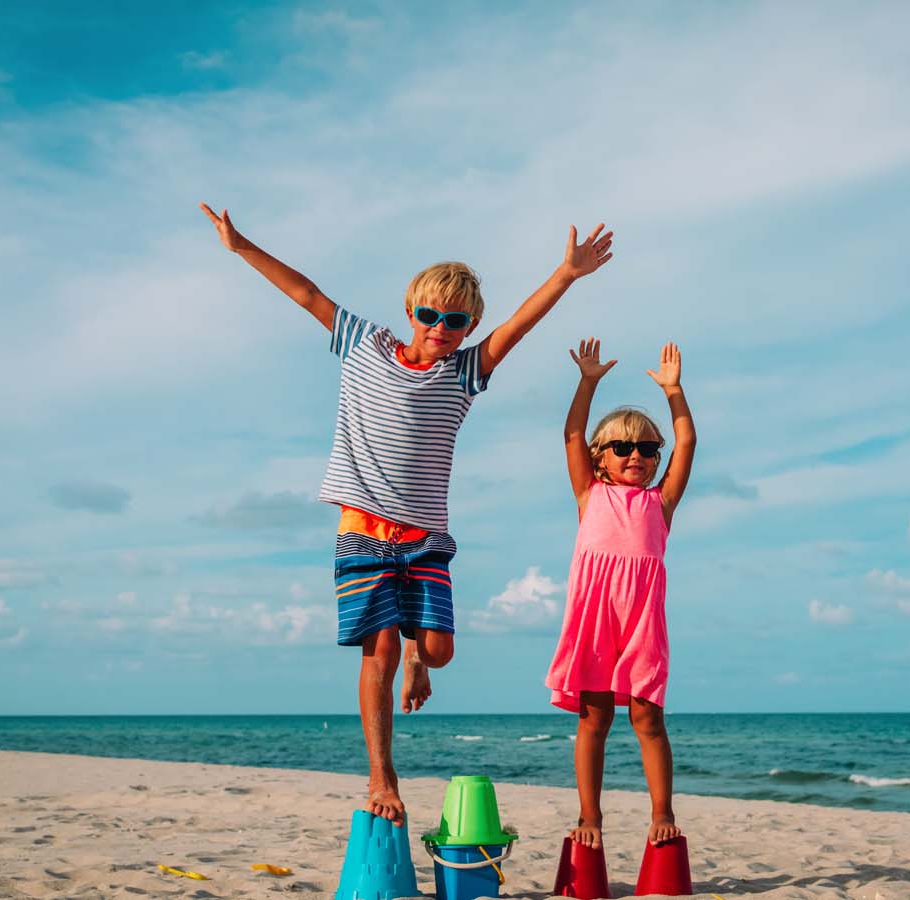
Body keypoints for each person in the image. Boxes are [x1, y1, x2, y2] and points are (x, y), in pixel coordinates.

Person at [200, 202, 613, 825]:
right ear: (409, 310)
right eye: (429, 315)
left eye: (455, 320)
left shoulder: (465, 371)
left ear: (469, 325)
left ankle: (421, 659)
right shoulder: (363, 344)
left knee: (438, 651)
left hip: (425, 539)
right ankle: (381, 775)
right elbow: (306, 292)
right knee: (380, 650)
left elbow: (519, 327)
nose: (439, 328)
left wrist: (566, 275)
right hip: (363, 532)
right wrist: (241, 246)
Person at [546, 337, 696, 849]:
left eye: (648, 449)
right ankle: (591, 817)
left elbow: (689, 444)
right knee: (594, 716)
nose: (637, 455)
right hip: (594, 618)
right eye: (623, 447)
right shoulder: (591, 494)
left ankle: (662, 813)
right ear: (600, 456)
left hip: (642, 622)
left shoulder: (661, 502)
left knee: (647, 716)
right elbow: (570, 434)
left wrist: (674, 393)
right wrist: (587, 383)